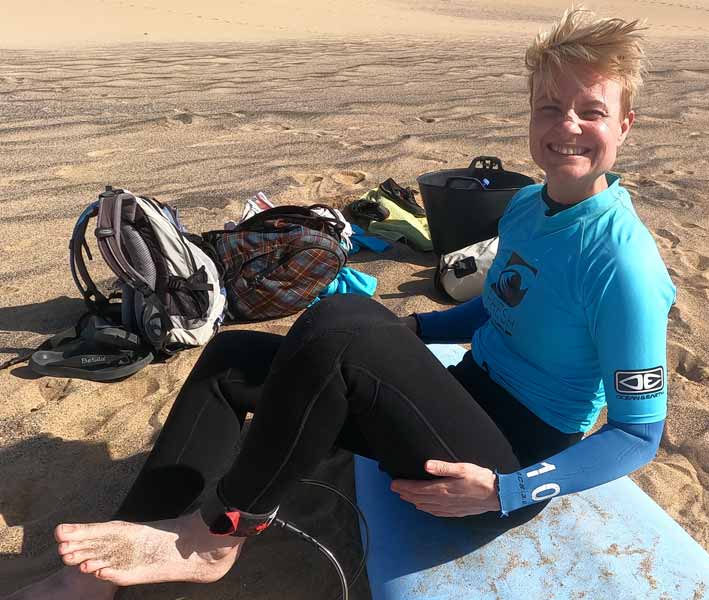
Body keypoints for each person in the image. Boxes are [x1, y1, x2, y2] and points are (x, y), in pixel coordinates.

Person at [7, 8, 675, 599]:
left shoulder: (622, 262)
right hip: (468, 396)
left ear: (624, 124)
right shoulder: (529, 205)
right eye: (549, 106)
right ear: (530, 114)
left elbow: (636, 435)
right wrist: (414, 330)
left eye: (591, 110)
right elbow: (503, 305)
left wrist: (506, 490)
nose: (567, 126)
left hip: (506, 460)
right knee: (235, 355)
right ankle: (100, 574)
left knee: (342, 333)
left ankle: (218, 534)